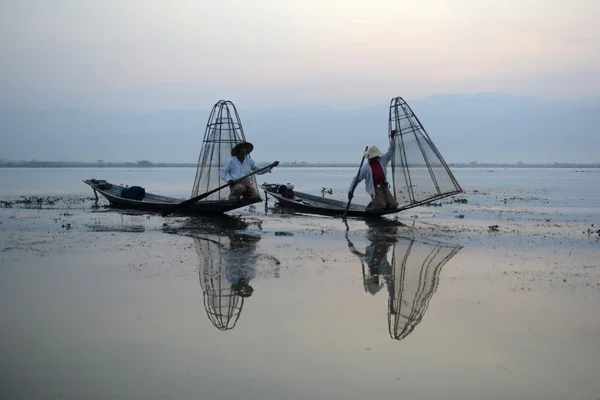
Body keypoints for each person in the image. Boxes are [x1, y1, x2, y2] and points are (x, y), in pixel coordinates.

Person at [348, 131, 399, 211]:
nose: (375, 158)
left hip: (384, 187)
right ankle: (372, 205)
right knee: (381, 206)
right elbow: (356, 179)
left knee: (393, 205)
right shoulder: (366, 168)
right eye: (373, 157)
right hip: (375, 189)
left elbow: (390, 152)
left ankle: (378, 202)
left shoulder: (382, 161)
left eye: (376, 157)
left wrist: (392, 139)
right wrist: (351, 190)